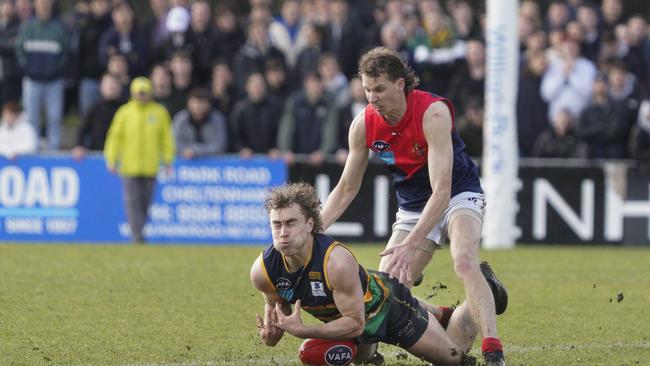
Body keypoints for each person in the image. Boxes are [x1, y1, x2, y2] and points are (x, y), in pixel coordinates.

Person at [319, 47, 508, 366]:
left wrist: (410, 243)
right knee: (380, 294)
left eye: (379, 89)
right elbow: (347, 188)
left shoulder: (432, 113)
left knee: (463, 261)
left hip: (457, 194)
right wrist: (315, 228)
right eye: (367, 89)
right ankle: (443, 313)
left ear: (401, 84)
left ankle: (493, 350)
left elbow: (442, 191)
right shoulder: (363, 125)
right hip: (412, 207)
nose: (372, 97)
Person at [251, 182, 483, 365]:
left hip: (387, 310)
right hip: (352, 316)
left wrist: (306, 331)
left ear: (310, 224)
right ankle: (434, 315)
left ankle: (480, 296)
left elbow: (355, 324)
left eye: (291, 223)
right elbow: (277, 313)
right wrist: (272, 334)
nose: (283, 233)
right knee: (352, 358)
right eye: (277, 224)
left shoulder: (335, 262)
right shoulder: (263, 271)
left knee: (453, 358)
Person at [104, 77, 175, 244]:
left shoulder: (159, 112)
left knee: (145, 204)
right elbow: (115, 137)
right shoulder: (124, 113)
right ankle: (137, 234)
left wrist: (168, 159)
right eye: (139, 94)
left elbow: (166, 138)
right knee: (132, 203)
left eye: (145, 94)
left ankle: (139, 230)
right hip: (129, 166)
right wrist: (112, 159)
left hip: (150, 167)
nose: (142, 97)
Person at [14, 0, 69, 150]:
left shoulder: (59, 28)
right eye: (41, 2)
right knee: (31, 118)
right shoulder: (27, 27)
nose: (44, 5)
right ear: (35, 5)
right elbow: (19, 51)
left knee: (55, 118)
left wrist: (55, 70)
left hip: (54, 81)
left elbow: (66, 53)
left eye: (46, 2)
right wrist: (29, 69)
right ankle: (32, 150)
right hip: (32, 81)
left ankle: (54, 151)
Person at [72, 73, 124, 159]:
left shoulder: (125, 109)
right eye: (108, 84)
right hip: (96, 155)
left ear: (120, 88)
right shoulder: (94, 108)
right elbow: (83, 129)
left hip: (120, 155)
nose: (111, 87)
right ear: (101, 87)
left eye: (114, 84)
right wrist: (79, 146)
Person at [172, 87, 228, 159]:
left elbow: (220, 145)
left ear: (209, 104)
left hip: (213, 164)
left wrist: (195, 151)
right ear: (188, 104)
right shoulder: (180, 119)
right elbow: (174, 143)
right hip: (184, 161)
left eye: (201, 102)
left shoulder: (217, 119)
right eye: (194, 102)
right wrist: (185, 151)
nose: (197, 106)